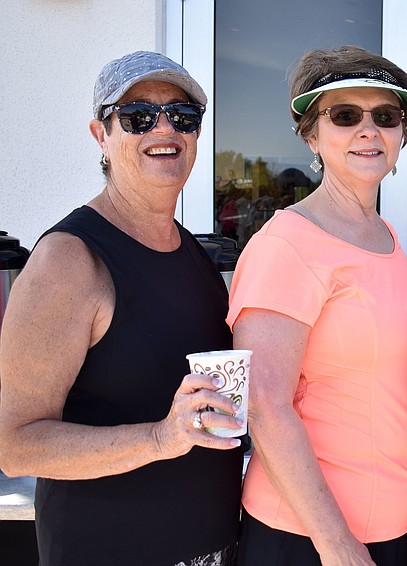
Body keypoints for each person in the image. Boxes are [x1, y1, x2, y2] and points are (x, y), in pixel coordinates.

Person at [0, 51, 244, 565]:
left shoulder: (192, 251)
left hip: (211, 547)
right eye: (137, 116)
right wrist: (160, 437)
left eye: (183, 116)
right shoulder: (68, 259)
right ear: (101, 135)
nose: (164, 128)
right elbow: (16, 444)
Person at [226, 45, 407, 566]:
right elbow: (265, 407)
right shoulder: (287, 244)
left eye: (386, 116)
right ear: (312, 136)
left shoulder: (384, 235)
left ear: (401, 134)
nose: (369, 130)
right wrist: (338, 545)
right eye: (345, 116)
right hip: (312, 540)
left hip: (395, 527)